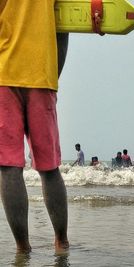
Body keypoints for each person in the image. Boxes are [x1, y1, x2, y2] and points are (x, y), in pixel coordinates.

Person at [0, 1, 69, 252]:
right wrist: (52, 75)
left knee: (9, 167)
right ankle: (61, 242)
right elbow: (64, 26)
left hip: (4, 76)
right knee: (49, 166)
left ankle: (22, 247)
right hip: (42, 76)